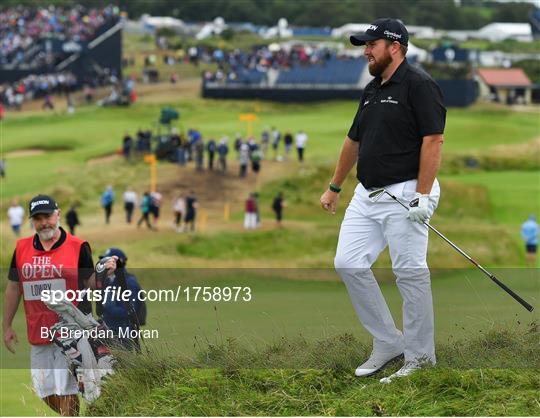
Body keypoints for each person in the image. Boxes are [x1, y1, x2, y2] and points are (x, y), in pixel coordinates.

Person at [320, 19, 446, 384]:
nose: (366, 50)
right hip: (367, 194)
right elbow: (353, 140)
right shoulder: (373, 88)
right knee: (347, 263)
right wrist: (334, 186)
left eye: (371, 44)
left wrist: (423, 195)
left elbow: (433, 141)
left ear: (395, 46)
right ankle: (389, 342)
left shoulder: (420, 85)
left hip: (407, 194)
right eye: (364, 44)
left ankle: (421, 358)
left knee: (409, 272)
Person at [3, 194, 118, 416]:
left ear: (58, 215)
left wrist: (104, 272)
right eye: (38, 218)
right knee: (44, 391)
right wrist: (6, 326)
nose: (44, 222)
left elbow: (91, 283)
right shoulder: (21, 248)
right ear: (32, 221)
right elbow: (13, 288)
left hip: (71, 332)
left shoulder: (77, 246)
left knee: (66, 388)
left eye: (47, 216)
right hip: (38, 332)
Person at [97, 248, 142, 351]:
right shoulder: (107, 280)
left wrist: (108, 307)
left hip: (123, 333)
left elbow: (130, 311)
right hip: (108, 332)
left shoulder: (129, 283)